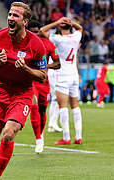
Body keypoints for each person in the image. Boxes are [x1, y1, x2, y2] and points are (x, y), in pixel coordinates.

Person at [0, 2, 47, 179]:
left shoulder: (36, 44)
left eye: (15, 16)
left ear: (25, 21)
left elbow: (42, 76)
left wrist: (26, 69)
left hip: (22, 94)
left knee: (9, 133)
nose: (10, 18)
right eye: (10, 14)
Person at [41, 17, 83, 145]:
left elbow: (42, 31)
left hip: (62, 76)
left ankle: (66, 138)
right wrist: (72, 23)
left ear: (60, 27)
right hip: (74, 75)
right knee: (75, 106)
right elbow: (80, 28)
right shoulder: (76, 37)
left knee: (63, 106)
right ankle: (78, 137)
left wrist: (57, 22)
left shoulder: (58, 39)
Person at [26, 20, 60, 153]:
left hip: (43, 82)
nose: (35, 34)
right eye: (32, 32)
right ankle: (38, 138)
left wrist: (46, 66)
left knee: (42, 110)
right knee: (33, 105)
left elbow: (58, 64)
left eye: (37, 31)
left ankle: (41, 135)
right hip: (30, 81)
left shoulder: (48, 44)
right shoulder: (24, 44)